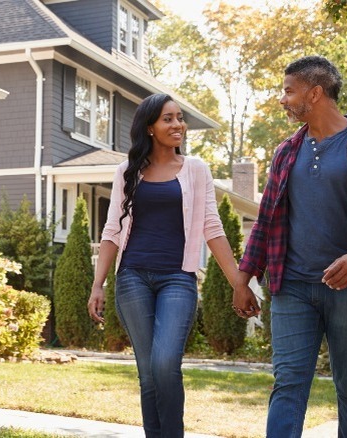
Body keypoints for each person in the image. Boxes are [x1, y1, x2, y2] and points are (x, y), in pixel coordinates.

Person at [234, 56, 347, 437]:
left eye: (288, 91)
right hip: (292, 286)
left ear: (315, 92)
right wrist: (244, 278)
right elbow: (266, 220)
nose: (283, 99)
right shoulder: (285, 152)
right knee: (288, 384)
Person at [87, 93, 258, 437]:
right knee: (148, 373)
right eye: (168, 118)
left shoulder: (196, 170)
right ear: (149, 127)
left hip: (177, 278)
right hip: (132, 277)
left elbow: (212, 226)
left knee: (165, 364)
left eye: (180, 117)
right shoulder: (128, 171)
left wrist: (240, 283)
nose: (177, 124)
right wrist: (98, 284)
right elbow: (112, 230)